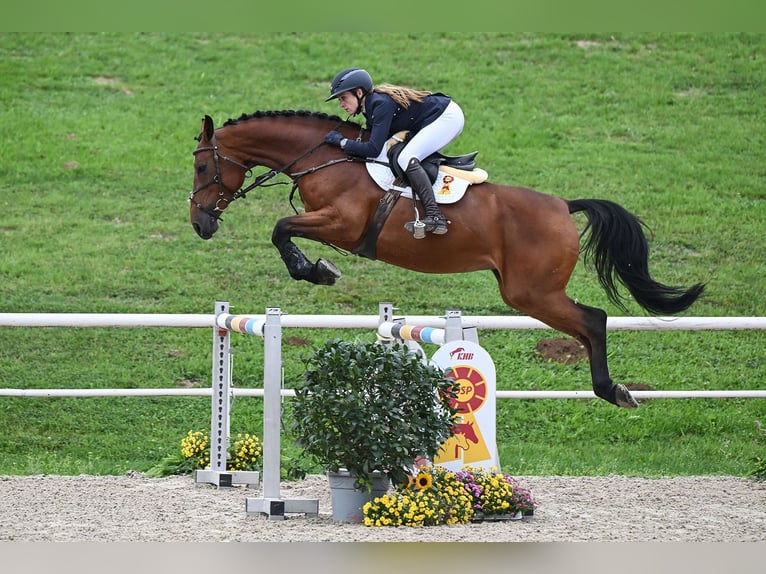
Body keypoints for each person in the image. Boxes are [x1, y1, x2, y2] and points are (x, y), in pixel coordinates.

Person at [323, 68, 464, 235]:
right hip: (434, 118)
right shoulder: (371, 107)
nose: (341, 105)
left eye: (343, 98)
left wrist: (342, 142)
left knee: (406, 158)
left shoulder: (380, 104)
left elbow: (373, 150)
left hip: (447, 118)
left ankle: (435, 216)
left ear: (359, 92)